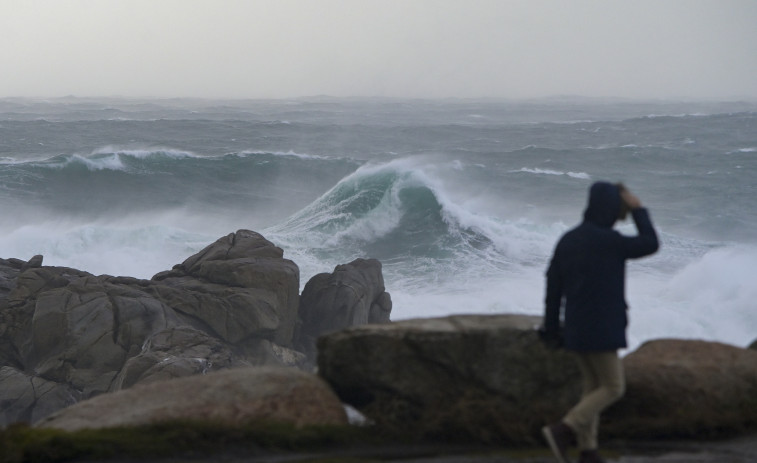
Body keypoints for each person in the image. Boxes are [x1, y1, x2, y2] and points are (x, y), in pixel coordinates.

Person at [539, 181, 659, 463]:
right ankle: (564, 428)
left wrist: (551, 328)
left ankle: (588, 450)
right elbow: (650, 243)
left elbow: (552, 288)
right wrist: (639, 210)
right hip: (603, 328)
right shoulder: (611, 241)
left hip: (576, 328)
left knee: (592, 387)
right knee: (614, 387)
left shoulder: (568, 240)